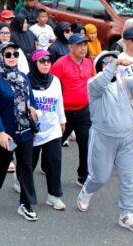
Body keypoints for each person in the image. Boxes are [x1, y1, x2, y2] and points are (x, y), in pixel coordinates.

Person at [76, 51, 133, 234]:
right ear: (100, 67)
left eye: (114, 61)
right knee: (100, 177)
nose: (113, 64)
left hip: (127, 138)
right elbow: (101, 83)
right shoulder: (93, 84)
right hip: (103, 137)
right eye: (108, 62)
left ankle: (127, 215)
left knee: (128, 179)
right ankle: (87, 190)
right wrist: (115, 64)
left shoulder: (124, 83)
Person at [0, 42, 40, 221]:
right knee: (3, 162)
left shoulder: (23, 76)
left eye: (15, 54)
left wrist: (33, 108)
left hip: (25, 129)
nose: (13, 58)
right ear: (0, 57)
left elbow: (31, 97)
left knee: (26, 166)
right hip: (5, 132)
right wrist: (0, 132)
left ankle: (26, 204)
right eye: (8, 55)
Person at [50, 33, 93, 185]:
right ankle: (46, 166)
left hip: (83, 111)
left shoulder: (88, 63)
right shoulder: (60, 64)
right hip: (64, 112)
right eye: (79, 45)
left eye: (85, 45)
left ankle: (83, 175)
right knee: (55, 143)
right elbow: (50, 87)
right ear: (70, 47)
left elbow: (92, 85)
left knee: (85, 143)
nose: (83, 48)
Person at [27, 50, 66, 210]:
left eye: (48, 61)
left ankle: (54, 195)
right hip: (33, 131)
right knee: (29, 164)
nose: (45, 64)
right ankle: (22, 186)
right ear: (34, 63)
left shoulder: (55, 80)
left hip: (52, 130)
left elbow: (59, 102)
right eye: (41, 61)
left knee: (54, 162)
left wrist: (62, 121)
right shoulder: (26, 81)